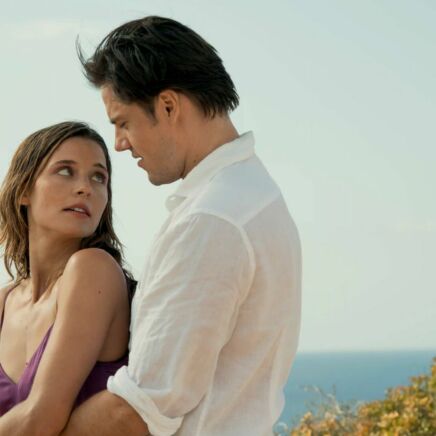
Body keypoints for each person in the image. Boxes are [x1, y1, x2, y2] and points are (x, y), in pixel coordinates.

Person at [62, 16, 302, 436]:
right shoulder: (253, 195)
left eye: (123, 122)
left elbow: (140, 408)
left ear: (168, 106)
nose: (119, 143)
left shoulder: (212, 218)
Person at [0, 121, 133, 435]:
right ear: (23, 191)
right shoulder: (4, 302)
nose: (85, 188)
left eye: (98, 177)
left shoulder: (93, 269)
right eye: (65, 171)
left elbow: (41, 417)